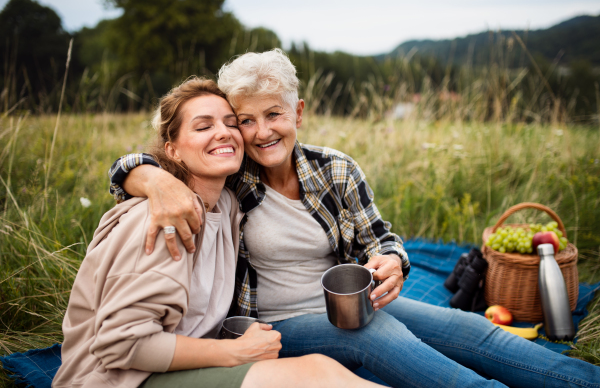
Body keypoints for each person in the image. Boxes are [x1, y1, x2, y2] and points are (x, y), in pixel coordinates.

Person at [108, 50, 600, 388]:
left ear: (298, 111)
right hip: (277, 322)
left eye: (274, 114)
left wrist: (391, 261)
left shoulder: (335, 169)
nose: (260, 133)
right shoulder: (232, 174)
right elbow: (134, 166)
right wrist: (152, 180)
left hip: (351, 304)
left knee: (468, 330)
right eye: (246, 119)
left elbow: (380, 239)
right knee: (380, 338)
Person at [53, 77, 384, 388]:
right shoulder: (164, 218)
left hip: (188, 362)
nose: (224, 133)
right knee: (316, 374)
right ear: (172, 150)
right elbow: (121, 344)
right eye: (203, 126)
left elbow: (129, 166)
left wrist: (149, 176)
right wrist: (234, 354)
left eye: (231, 122)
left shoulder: (226, 203)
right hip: (123, 378)